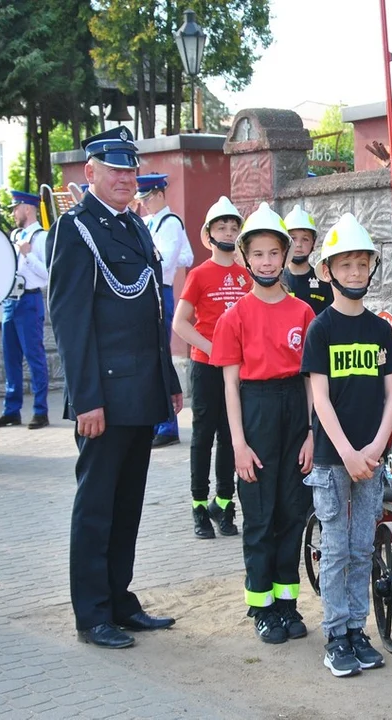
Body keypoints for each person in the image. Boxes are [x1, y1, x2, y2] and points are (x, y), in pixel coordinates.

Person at [47, 126, 182, 650]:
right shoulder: (75, 231)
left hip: (140, 390)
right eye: (115, 169)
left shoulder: (136, 228)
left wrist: (167, 378)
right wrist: (87, 400)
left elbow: (152, 313)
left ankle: (120, 599)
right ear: (91, 173)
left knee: (127, 504)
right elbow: (70, 321)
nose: (126, 178)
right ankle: (92, 613)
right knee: (98, 504)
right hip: (104, 394)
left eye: (131, 170)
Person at [210, 202, 315, 645]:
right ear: (244, 258)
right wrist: (238, 444)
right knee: (259, 516)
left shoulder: (303, 313)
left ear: (285, 253)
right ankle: (262, 607)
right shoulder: (233, 318)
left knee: (293, 513)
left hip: (295, 412)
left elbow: (313, 382)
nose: (267, 262)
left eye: (275, 253)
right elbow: (230, 387)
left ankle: (288, 602)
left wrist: (312, 432)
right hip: (254, 414)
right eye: (258, 254)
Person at [301, 212, 392, 678]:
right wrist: (346, 452)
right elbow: (319, 398)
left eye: (363, 264)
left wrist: (376, 447)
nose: (355, 273)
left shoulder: (381, 330)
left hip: (372, 459)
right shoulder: (321, 330)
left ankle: (358, 631)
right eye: (345, 265)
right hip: (332, 460)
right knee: (336, 549)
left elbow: (391, 395)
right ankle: (335, 636)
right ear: (327, 271)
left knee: (362, 548)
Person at [172, 196, 252, 539]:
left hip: (235, 371)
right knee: (203, 437)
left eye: (234, 227)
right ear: (209, 234)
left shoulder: (245, 276)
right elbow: (180, 323)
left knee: (230, 436)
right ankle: (199, 507)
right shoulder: (200, 274)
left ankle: (225, 505)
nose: (229, 232)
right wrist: (213, 349)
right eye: (222, 227)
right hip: (205, 367)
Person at [136, 173, 192, 448]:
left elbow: (165, 260)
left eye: (146, 198)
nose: (143, 204)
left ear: (159, 194)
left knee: (161, 355)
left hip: (160, 292)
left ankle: (167, 425)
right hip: (149, 292)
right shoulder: (149, 222)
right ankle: (157, 420)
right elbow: (186, 256)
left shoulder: (169, 223)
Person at [0, 190, 50, 431]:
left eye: (16, 208)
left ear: (27, 208)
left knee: (34, 356)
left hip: (29, 300)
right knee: (10, 358)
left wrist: (28, 255)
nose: (14, 213)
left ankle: (40, 410)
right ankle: (11, 410)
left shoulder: (41, 237)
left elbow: (48, 274)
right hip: (10, 301)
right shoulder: (14, 235)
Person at [282, 204, 332, 315]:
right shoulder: (277, 280)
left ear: (313, 243)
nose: (298, 244)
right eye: (293, 238)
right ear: (284, 242)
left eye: (305, 239)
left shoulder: (323, 281)